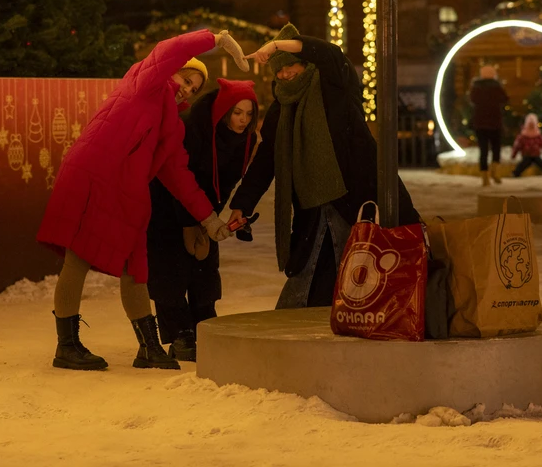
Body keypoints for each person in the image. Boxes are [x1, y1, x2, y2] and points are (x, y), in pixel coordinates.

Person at [36, 29, 248, 371]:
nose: (189, 87)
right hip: (95, 176)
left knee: (136, 266)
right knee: (78, 257)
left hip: (128, 190)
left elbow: (178, 175)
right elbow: (168, 50)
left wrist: (209, 220)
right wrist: (215, 38)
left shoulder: (171, 124)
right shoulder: (145, 82)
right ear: (172, 70)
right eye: (187, 77)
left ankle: (149, 347)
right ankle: (67, 345)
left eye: (195, 87)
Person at [228, 24, 419, 310]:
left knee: (368, 280)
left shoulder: (335, 87)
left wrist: (277, 46)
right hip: (312, 213)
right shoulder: (281, 109)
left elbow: (330, 53)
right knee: (310, 286)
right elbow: (266, 161)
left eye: (290, 65)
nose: (284, 74)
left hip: (357, 201)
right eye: (278, 70)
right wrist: (242, 203)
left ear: (306, 63)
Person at [147, 78, 259, 362]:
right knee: (170, 268)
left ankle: (205, 324)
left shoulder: (245, 137)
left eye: (249, 114)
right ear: (223, 111)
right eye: (237, 113)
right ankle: (179, 334)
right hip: (165, 202)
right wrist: (192, 220)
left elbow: (227, 181)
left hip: (203, 207)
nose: (243, 120)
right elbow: (178, 178)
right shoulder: (190, 126)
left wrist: (214, 218)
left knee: (204, 266)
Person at [469, 64, 509, 186]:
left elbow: (472, 100)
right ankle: (495, 172)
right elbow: (505, 99)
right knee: (496, 148)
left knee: (483, 150)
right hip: (494, 122)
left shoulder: (475, 87)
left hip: (480, 123)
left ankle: (484, 177)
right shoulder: (497, 87)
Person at [511, 113, 542, 177]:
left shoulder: (538, 136)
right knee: (525, 162)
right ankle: (515, 173)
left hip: (536, 155)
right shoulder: (523, 136)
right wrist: (513, 155)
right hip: (526, 155)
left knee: (541, 162)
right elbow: (517, 146)